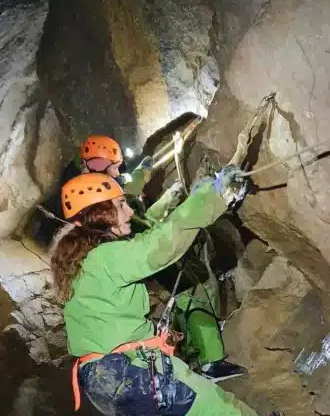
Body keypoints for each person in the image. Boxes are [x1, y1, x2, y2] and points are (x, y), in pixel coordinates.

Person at [50, 168, 330, 416]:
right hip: (132, 374)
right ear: (99, 214)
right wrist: (212, 197)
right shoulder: (104, 258)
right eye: (120, 205)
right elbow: (158, 246)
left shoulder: (80, 264)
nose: (130, 211)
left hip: (106, 385)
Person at [79, 134, 247, 384]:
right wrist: (194, 199)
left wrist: (163, 191)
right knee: (192, 289)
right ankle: (210, 361)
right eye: (114, 165)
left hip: (142, 252)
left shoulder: (99, 191)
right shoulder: (102, 196)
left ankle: (196, 347)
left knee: (188, 291)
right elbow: (145, 225)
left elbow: (140, 213)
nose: (118, 170)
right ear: (99, 164)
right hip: (145, 254)